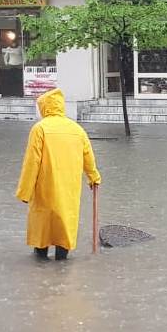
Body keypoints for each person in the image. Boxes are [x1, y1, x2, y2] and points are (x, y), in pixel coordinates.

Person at [16, 88, 101, 261]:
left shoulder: (40, 129)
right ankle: (62, 268)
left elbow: (31, 163)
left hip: (45, 189)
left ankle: (41, 268)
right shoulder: (77, 130)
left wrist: (25, 192)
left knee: (42, 229)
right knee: (65, 226)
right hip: (69, 189)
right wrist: (94, 177)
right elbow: (88, 158)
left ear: (44, 107)